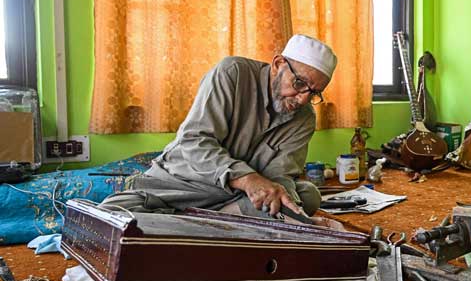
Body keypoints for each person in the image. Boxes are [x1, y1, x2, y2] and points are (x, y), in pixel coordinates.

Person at [101, 34, 337, 223]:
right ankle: (215, 223)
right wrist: (247, 179)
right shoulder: (232, 73)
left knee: (306, 196)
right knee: (113, 215)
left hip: (237, 197)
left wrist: (298, 217)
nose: (303, 99)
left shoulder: (304, 117)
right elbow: (194, 141)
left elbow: (279, 177)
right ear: (278, 64)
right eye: (299, 84)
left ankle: (194, 225)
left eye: (314, 93)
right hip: (184, 185)